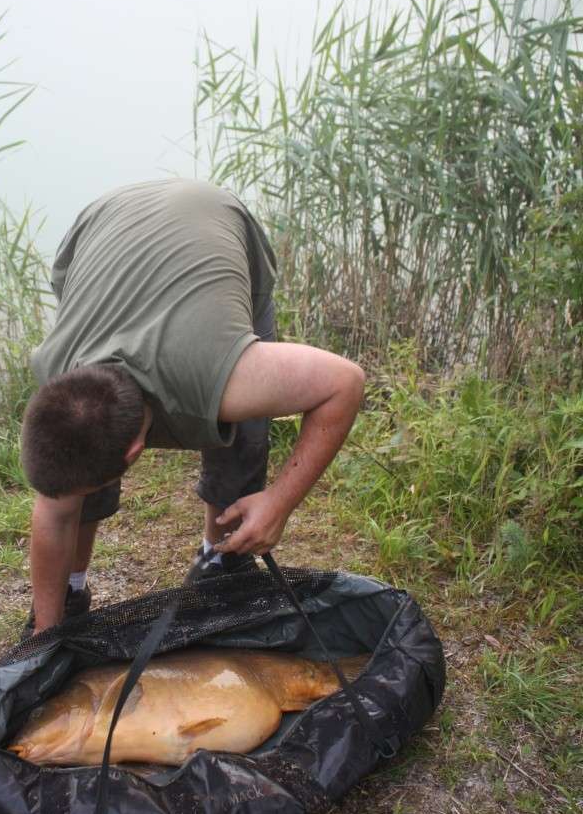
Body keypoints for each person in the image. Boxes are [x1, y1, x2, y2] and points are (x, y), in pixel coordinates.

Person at [21, 178, 364, 634]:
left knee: (243, 426)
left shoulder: (227, 375)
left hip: (213, 217)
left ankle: (219, 564)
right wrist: (47, 637)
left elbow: (345, 381)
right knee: (85, 454)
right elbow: (54, 509)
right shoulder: (59, 374)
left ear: (135, 452)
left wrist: (279, 503)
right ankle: (70, 591)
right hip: (102, 223)